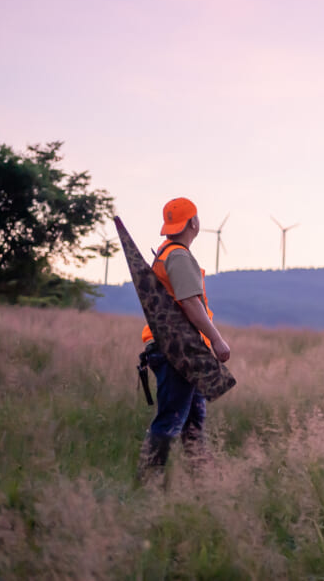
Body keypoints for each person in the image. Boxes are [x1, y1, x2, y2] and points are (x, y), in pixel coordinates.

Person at [136, 197, 231, 485]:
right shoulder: (177, 256)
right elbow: (190, 303)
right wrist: (217, 341)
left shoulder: (166, 252)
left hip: (179, 348)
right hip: (178, 351)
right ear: (194, 223)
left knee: (192, 425)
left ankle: (203, 488)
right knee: (171, 421)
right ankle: (148, 486)